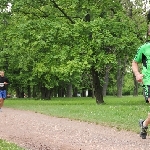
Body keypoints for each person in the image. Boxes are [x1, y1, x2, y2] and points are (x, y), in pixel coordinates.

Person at [132, 39, 150, 139]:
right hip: (148, 81)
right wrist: (137, 74)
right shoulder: (144, 48)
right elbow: (134, 62)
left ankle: (144, 124)